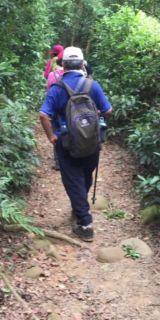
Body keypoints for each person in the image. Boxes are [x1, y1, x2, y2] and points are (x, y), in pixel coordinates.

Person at [39, 46, 112, 241]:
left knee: (73, 180)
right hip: (92, 141)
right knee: (86, 175)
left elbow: (44, 114)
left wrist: (50, 137)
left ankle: (85, 224)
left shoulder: (57, 89)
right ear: (82, 64)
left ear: (63, 65)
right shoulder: (92, 85)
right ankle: (80, 207)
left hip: (66, 142)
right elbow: (108, 110)